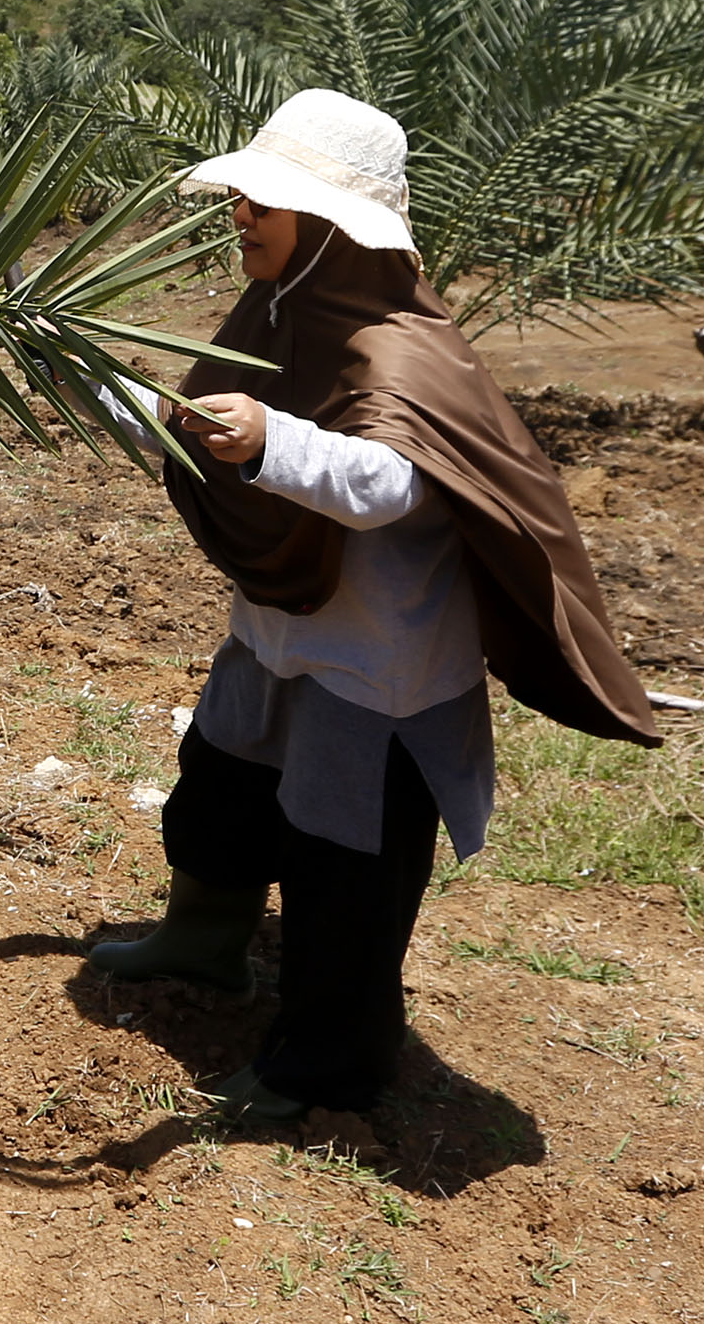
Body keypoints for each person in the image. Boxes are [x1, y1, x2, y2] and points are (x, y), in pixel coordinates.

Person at [80, 88, 657, 1127]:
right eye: (244, 197)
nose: (240, 215)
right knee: (221, 787)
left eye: (264, 202)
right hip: (276, 632)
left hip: (376, 668)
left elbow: (390, 484)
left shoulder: (402, 349)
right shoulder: (278, 311)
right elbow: (196, 428)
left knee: (345, 866)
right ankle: (203, 941)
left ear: (330, 226)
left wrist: (273, 440)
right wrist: (94, 384)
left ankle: (328, 1066)